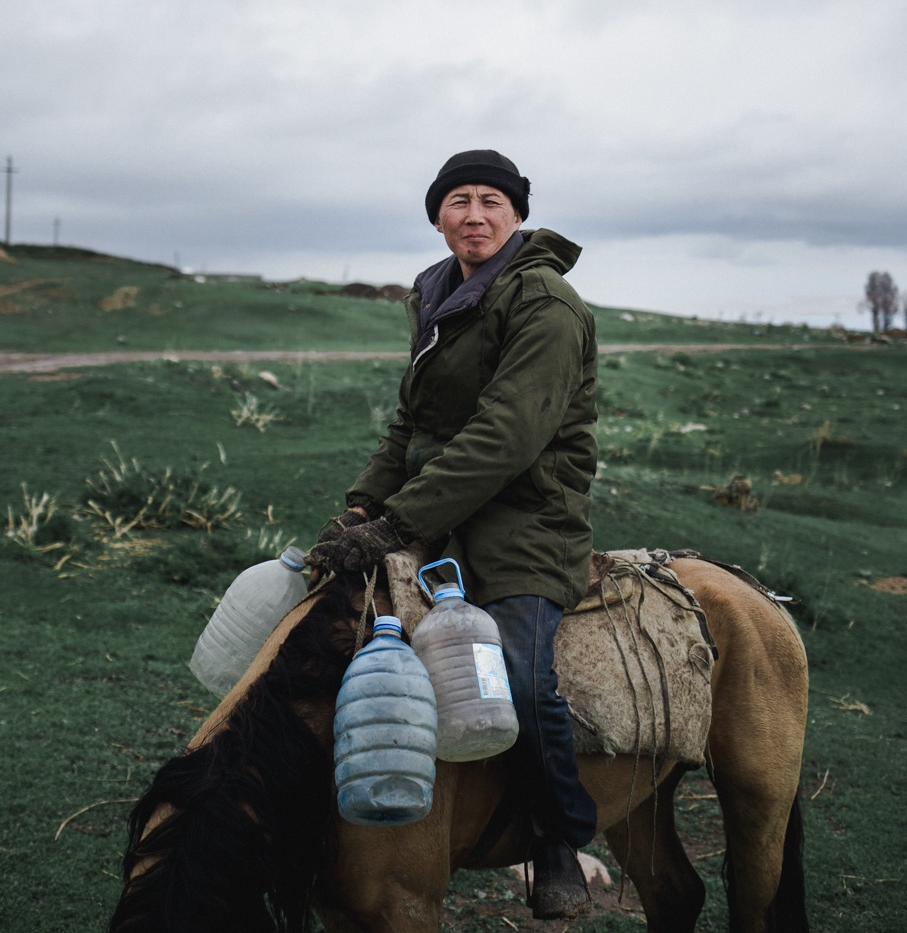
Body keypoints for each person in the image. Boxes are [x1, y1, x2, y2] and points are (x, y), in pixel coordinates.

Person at [307, 149, 599, 920]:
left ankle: (559, 837)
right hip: (441, 511)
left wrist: (403, 519)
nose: (474, 214)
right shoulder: (439, 294)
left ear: (517, 215)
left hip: (526, 519)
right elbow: (413, 422)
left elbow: (509, 434)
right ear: (439, 216)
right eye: (458, 200)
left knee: (521, 671)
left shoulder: (546, 302)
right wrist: (364, 509)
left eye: (491, 201)